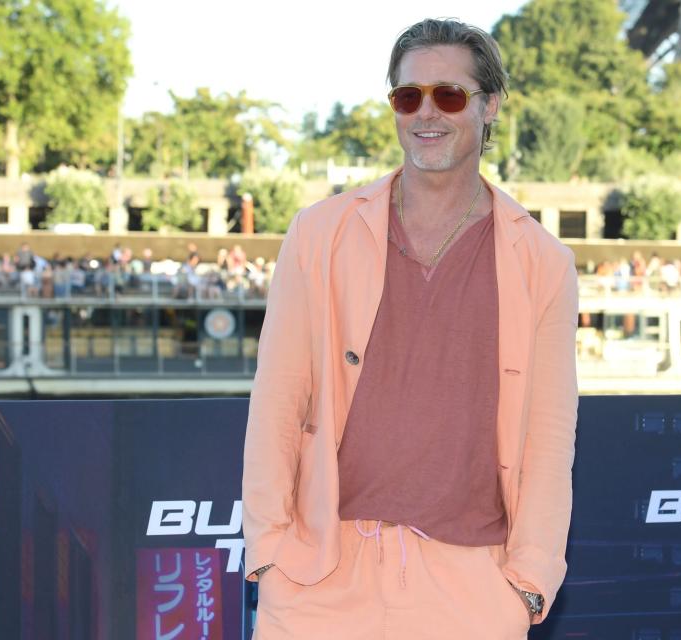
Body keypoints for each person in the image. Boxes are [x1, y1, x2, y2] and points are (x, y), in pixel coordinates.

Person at [242, 18, 579, 640]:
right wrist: (268, 550)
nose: (427, 113)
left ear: (490, 106)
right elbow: (278, 399)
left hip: (471, 589)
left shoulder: (543, 262)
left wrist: (528, 583)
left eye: (449, 95)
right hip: (320, 580)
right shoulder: (319, 233)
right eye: (407, 96)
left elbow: (549, 440)